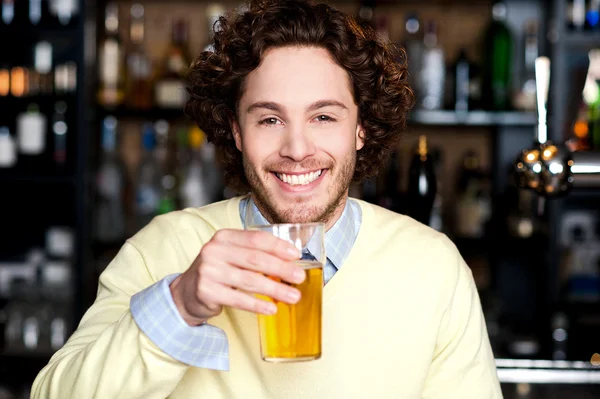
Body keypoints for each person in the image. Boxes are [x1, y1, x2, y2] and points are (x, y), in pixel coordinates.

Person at [32, 0, 502, 397]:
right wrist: (178, 305)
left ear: (360, 128)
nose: (297, 150)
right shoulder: (161, 249)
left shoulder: (433, 268)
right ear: (236, 131)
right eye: (269, 119)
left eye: (323, 117)